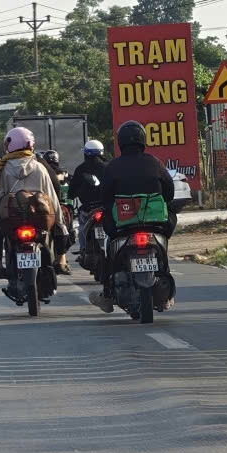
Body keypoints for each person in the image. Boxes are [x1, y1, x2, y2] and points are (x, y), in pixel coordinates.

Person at [89, 120, 177, 313]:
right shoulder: (154, 162)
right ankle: (167, 293)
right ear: (142, 140)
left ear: (121, 142)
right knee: (169, 220)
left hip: (122, 225)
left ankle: (107, 294)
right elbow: (169, 193)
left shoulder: (112, 166)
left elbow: (105, 197)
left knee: (109, 250)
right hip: (155, 224)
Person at [0, 127, 62, 285]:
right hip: (39, 218)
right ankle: (61, 260)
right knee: (59, 229)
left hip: (12, 219)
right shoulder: (39, 167)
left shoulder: (3, 169)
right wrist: (59, 221)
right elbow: (51, 197)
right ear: (30, 144)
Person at [70, 139, 107, 232]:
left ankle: (83, 242)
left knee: (82, 230)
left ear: (86, 153)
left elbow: (71, 192)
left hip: (87, 210)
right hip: (106, 209)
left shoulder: (80, 169)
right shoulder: (108, 167)